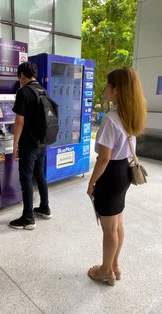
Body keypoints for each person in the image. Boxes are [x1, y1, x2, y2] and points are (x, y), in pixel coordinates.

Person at [87, 67, 147, 286]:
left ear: (117, 89)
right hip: (124, 173)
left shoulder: (110, 119)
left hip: (110, 175)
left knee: (109, 228)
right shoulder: (131, 114)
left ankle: (106, 271)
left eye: (108, 86)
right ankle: (115, 266)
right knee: (118, 222)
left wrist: (92, 182)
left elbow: (103, 159)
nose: (105, 90)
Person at [9, 61, 52, 230]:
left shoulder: (23, 91)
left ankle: (28, 218)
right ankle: (45, 208)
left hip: (28, 144)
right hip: (42, 142)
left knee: (26, 178)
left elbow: (19, 121)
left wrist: (15, 146)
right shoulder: (43, 90)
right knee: (39, 174)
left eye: (18, 76)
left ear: (21, 75)